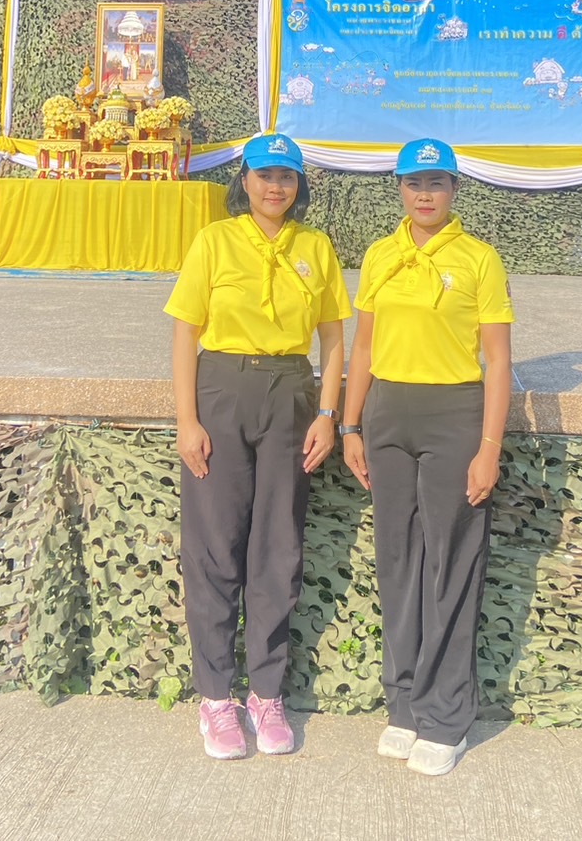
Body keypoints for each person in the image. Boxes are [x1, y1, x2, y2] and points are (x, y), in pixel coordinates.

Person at [164, 132, 351, 760]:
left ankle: (266, 694)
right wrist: (187, 420)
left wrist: (327, 414)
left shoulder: (315, 247)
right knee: (215, 547)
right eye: (265, 175)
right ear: (243, 181)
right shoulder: (214, 241)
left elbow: (333, 339)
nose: (276, 186)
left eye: (287, 176)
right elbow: (185, 334)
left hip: (290, 395)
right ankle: (216, 698)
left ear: (300, 185)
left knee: (277, 546)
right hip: (222, 389)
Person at [340, 138, 514, 777]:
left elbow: (497, 360)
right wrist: (350, 424)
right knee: (397, 558)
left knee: (449, 561)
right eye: (414, 182)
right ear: (399, 188)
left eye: (436, 183)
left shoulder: (478, 259)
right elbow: (363, 348)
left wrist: (488, 447)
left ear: (454, 189)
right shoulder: (380, 254)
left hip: (452, 415)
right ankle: (405, 704)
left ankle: (446, 717)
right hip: (387, 415)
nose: (424, 194)